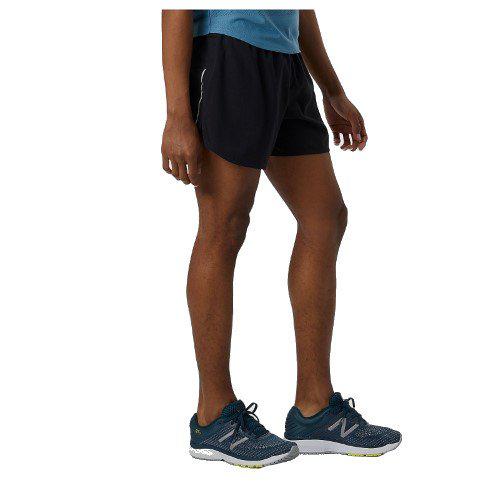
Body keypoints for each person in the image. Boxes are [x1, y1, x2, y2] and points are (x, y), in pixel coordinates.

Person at [161, 9, 401, 468]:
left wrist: (332, 90)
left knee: (325, 218)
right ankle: (213, 416)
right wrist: (177, 114)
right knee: (224, 226)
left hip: (286, 61)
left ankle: (314, 408)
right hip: (230, 53)